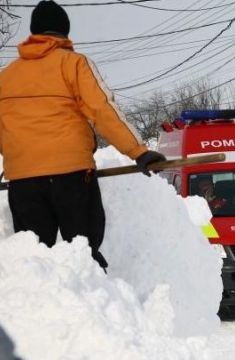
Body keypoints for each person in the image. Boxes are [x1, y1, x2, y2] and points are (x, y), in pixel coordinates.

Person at [0, 1, 166, 271]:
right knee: (83, 254)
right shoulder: (73, 63)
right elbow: (102, 109)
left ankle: (42, 311)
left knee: (32, 263)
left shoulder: (6, 77)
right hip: (71, 176)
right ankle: (92, 304)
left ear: (33, 32)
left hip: (23, 182)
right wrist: (138, 150)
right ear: (65, 31)